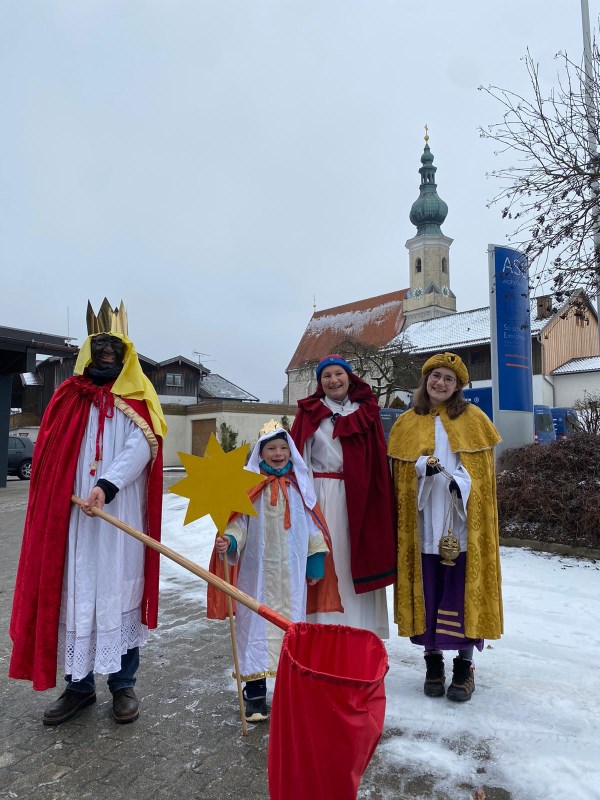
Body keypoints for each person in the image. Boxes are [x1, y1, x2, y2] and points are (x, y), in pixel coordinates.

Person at [9, 298, 167, 725]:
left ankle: (122, 686)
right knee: (76, 592)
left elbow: (142, 448)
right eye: (100, 344)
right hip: (74, 520)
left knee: (121, 593)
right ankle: (79, 687)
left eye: (114, 344)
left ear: (126, 350)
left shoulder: (138, 396)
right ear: (89, 349)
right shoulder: (68, 396)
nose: (108, 352)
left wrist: (106, 485)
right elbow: (51, 454)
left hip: (120, 516)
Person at [387, 352, 503, 702]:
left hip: (462, 523)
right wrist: (421, 467)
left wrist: (459, 481)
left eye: (448, 379)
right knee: (430, 590)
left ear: (457, 387)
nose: (440, 383)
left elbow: (483, 479)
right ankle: (433, 662)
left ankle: (464, 667)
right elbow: (399, 478)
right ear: (425, 380)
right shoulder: (407, 422)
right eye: (435, 376)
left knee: (461, 590)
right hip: (423, 522)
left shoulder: (475, 419)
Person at [209, 423, 333, 722]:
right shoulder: (250, 489)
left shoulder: (299, 487)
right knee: (255, 630)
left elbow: (314, 529)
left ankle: (291, 691)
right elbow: (239, 524)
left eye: (282, 448)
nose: (278, 454)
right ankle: (254, 695)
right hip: (258, 576)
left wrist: (315, 563)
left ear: (290, 451)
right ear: (260, 452)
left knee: (292, 630)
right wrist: (231, 540)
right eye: (270, 449)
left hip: (292, 579)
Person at [290, 354, 396, 638]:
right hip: (320, 496)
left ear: (349, 378)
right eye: (326, 376)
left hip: (359, 497)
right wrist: (305, 501)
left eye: (338, 374)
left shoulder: (366, 412)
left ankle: (357, 630)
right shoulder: (309, 412)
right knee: (325, 559)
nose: (333, 380)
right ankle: (321, 629)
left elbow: (376, 461)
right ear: (320, 382)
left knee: (353, 560)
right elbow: (298, 458)